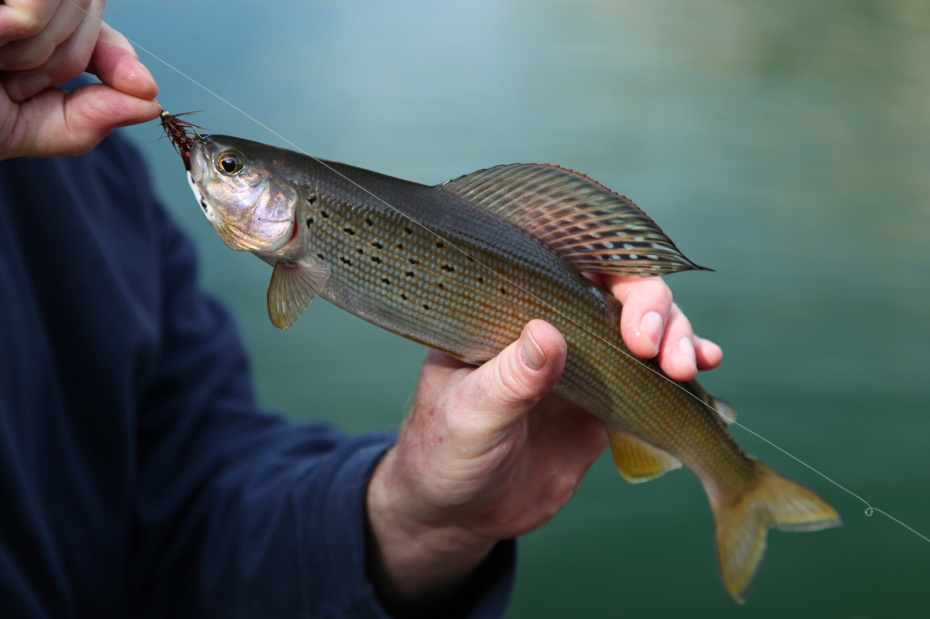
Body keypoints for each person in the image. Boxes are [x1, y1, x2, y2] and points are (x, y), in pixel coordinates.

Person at [0, 2, 723, 617]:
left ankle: (727, 466)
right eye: (227, 168)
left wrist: (414, 518)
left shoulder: (87, 169)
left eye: (229, 169)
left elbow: (185, 500)